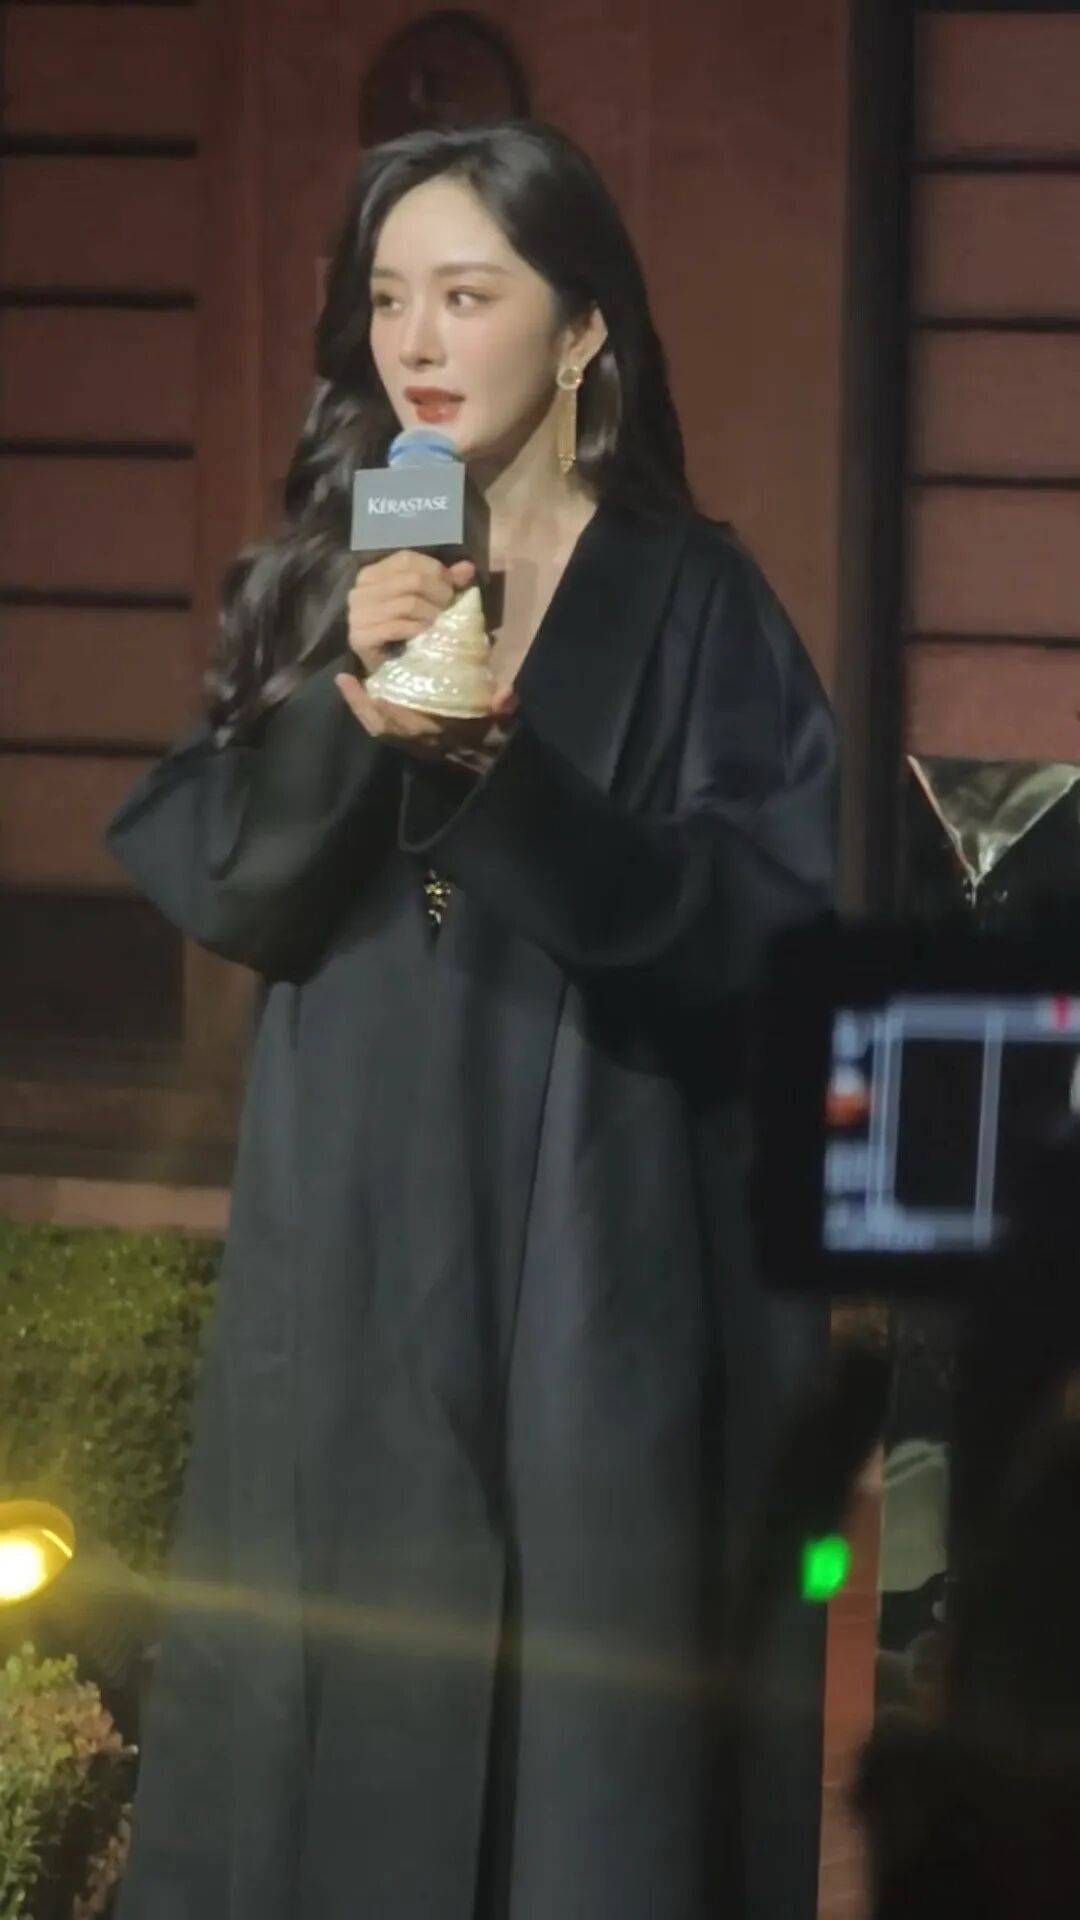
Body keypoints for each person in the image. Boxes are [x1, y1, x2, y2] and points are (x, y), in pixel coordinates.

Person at [107, 121, 836, 1920]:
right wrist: (353, 705)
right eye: (386, 299)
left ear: (581, 329)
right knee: (332, 1669)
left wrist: (510, 780)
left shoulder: (694, 599)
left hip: (588, 1235)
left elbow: (764, 924)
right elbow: (228, 877)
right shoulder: (334, 570)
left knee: (578, 1727)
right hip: (351, 1227)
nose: (416, 343)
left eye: (466, 294)